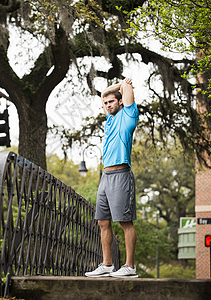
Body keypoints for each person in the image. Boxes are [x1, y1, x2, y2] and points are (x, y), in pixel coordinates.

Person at [85, 78, 139, 278]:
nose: (108, 105)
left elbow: (126, 89)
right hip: (105, 177)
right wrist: (114, 87)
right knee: (103, 222)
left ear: (121, 102)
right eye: (106, 103)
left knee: (125, 222)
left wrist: (122, 85)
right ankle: (107, 264)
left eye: (112, 102)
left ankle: (129, 266)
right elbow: (103, 94)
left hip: (121, 175)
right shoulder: (109, 119)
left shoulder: (129, 115)